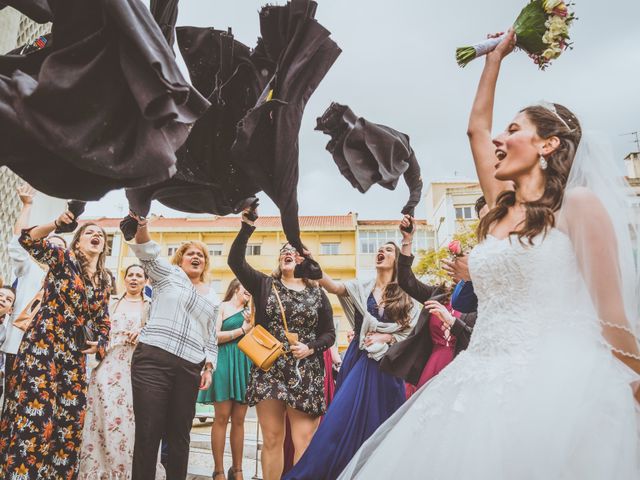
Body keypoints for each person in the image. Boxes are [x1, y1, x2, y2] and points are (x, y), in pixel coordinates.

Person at [338, 30, 640, 479]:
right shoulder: (500, 206)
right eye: (503, 130)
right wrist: (494, 59)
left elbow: (611, 316)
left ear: (548, 144)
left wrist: (632, 382)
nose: (499, 139)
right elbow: (475, 129)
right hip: (477, 378)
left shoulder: (576, 207)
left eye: (514, 130)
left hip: (555, 381)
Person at [283, 241, 420, 480]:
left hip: (389, 366)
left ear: (398, 260)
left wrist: (388, 336)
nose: (382, 251)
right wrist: (313, 262)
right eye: (380, 249)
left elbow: (412, 332)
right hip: (359, 360)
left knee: (381, 425)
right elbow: (334, 287)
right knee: (338, 423)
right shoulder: (361, 287)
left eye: (389, 249)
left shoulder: (407, 294)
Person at [0, 210, 111, 480]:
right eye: (89, 232)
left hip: (73, 357)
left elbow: (104, 320)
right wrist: (57, 224)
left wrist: (100, 342)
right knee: (35, 418)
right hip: (43, 346)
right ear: (77, 241)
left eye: (100, 234)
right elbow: (28, 240)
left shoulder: (105, 280)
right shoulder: (64, 259)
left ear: (105, 245)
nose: (95, 235)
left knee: (68, 423)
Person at [228, 208, 336, 480]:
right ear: (280, 259)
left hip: (305, 370)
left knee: (304, 440)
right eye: (285, 250)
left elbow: (329, 334)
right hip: (270, 368)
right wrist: (247, 227)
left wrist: (311, 347)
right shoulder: (265, 284)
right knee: (273, 439)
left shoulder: (318, 294)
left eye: (296, 251)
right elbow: (235, 261)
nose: (289, 252)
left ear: (305, 260)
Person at [126, 216, 219, 480]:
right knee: (148, 431)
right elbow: (148, 253)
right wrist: (142, 225)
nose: (196, 257)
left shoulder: (212, 297)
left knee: (180, 436)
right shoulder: (170, 275)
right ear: (180, 258)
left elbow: (210, 336)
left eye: (201, 254)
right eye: (190, 253)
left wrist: (209, 366)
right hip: (153, 360)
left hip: (189, 366)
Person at [78, 264, 165, 480]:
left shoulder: (153, 306)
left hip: (137, 368)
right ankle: (101, 471)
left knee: (131, 420)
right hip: (107, 366)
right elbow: (98, 331)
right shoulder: (111, 303)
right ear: (125, 279)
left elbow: (159, 335)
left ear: (146, 281)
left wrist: (142, 332)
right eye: (131, 275)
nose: (134, 279)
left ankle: (129, 472)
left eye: (139, 275)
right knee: (103, 416)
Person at [1, 184, 67, 407]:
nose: (56, 253)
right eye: (51, 247)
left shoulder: (69, 284)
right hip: (18, 346)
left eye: (62, 250)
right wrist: (27, 206)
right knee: (12, 404)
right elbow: (19, 244)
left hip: (49, 353)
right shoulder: (31, 269)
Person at [197, 278, 253, 480]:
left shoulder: (251, 312)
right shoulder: (221, 307)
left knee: (239, 420)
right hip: (223, 362)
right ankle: (218, 471)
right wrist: (241, 330)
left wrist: (251, 324)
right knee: (221, 418)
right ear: (236, 288)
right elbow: (213, 336)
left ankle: (237, 470)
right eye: (247, 287)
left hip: (244, 364)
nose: (250, 291)